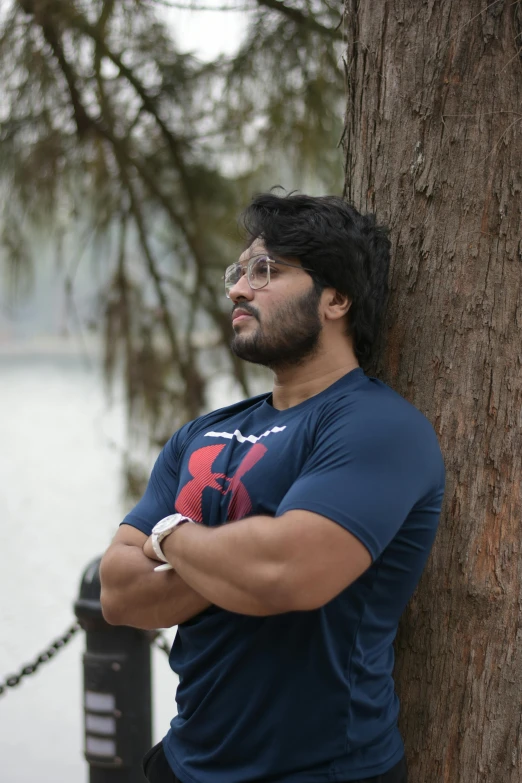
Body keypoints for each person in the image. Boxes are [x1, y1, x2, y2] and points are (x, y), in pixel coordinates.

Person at [100, 192, 445, 783]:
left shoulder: (378, 426)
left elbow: (285, 574)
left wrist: (169, 534)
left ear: (336, 297)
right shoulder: (203, 433)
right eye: (238, 273)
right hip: (182, 764)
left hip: (323, 771)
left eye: (265, 271)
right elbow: (119, 593)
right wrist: (234, 563)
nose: (237, 290)